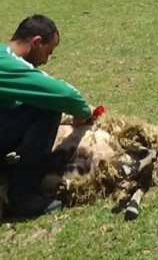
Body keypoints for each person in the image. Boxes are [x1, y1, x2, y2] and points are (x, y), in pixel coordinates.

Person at [0, 15, 96, 218]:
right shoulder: (7, 64)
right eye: (48, 51)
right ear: (35, 42)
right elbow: (65, 95)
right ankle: (23, 198)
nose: (45, 60)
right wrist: (84, 112)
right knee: (48, 107)